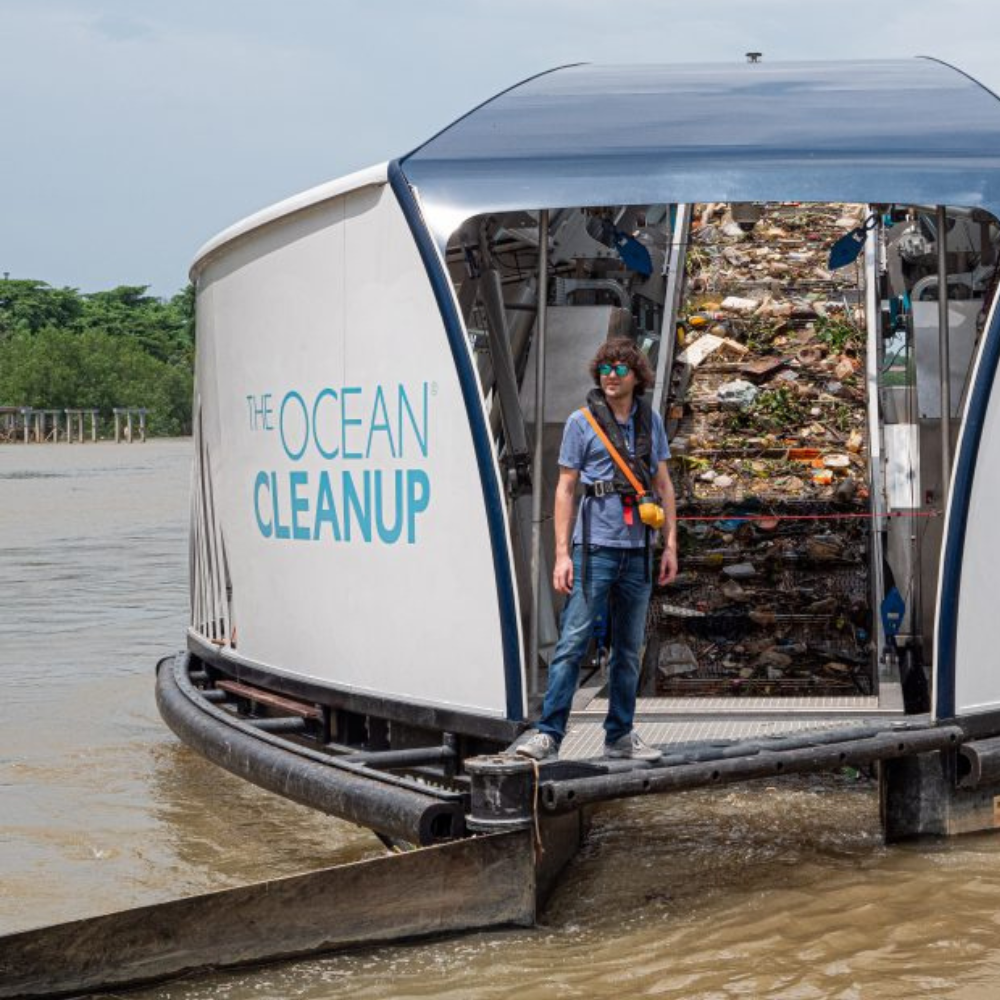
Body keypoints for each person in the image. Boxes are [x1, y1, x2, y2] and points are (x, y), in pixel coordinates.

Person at [512, 337, 677, 762]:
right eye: (604, 368)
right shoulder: (581, 422)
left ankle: (619, 735)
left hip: (638, 550)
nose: (610, 375)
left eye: (620, 368)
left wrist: (670, 545)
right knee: (572, 641)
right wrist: (562, 553)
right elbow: (566, 488)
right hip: (595, 548)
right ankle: (548, 733)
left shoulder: (649, 420)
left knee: (628, 648)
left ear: (637, 376)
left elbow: (663, 485)